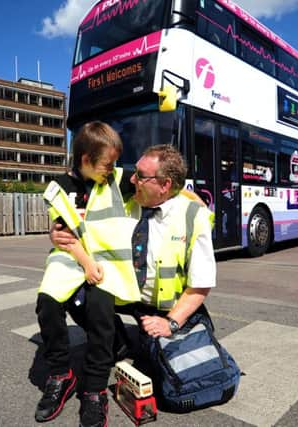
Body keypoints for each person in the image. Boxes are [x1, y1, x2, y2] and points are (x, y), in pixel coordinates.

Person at [52, 143, 216, 353]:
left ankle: (172, 327)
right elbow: (79, 214)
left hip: (164, 305)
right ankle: (115, 341)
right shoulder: (124, 202)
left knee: (172, 364)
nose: (132, 179)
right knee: (74, 292)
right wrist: (57, 234)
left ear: (165, 185)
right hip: (124, 293)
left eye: (139, 175)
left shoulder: (193, 218)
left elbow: (201, 284)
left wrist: (171, 323)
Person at [34, 121, 140, 427]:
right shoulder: (61, 188)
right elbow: (63, 237)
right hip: (71, 258)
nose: (112, 169)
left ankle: (94, 390)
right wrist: (85, 263)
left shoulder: (117, 179)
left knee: (100, 311)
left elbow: (152, 179)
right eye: (107, 164)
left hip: (105, 261)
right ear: (85, 160)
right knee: (48, 303)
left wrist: (189, 198)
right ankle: (60, 373)